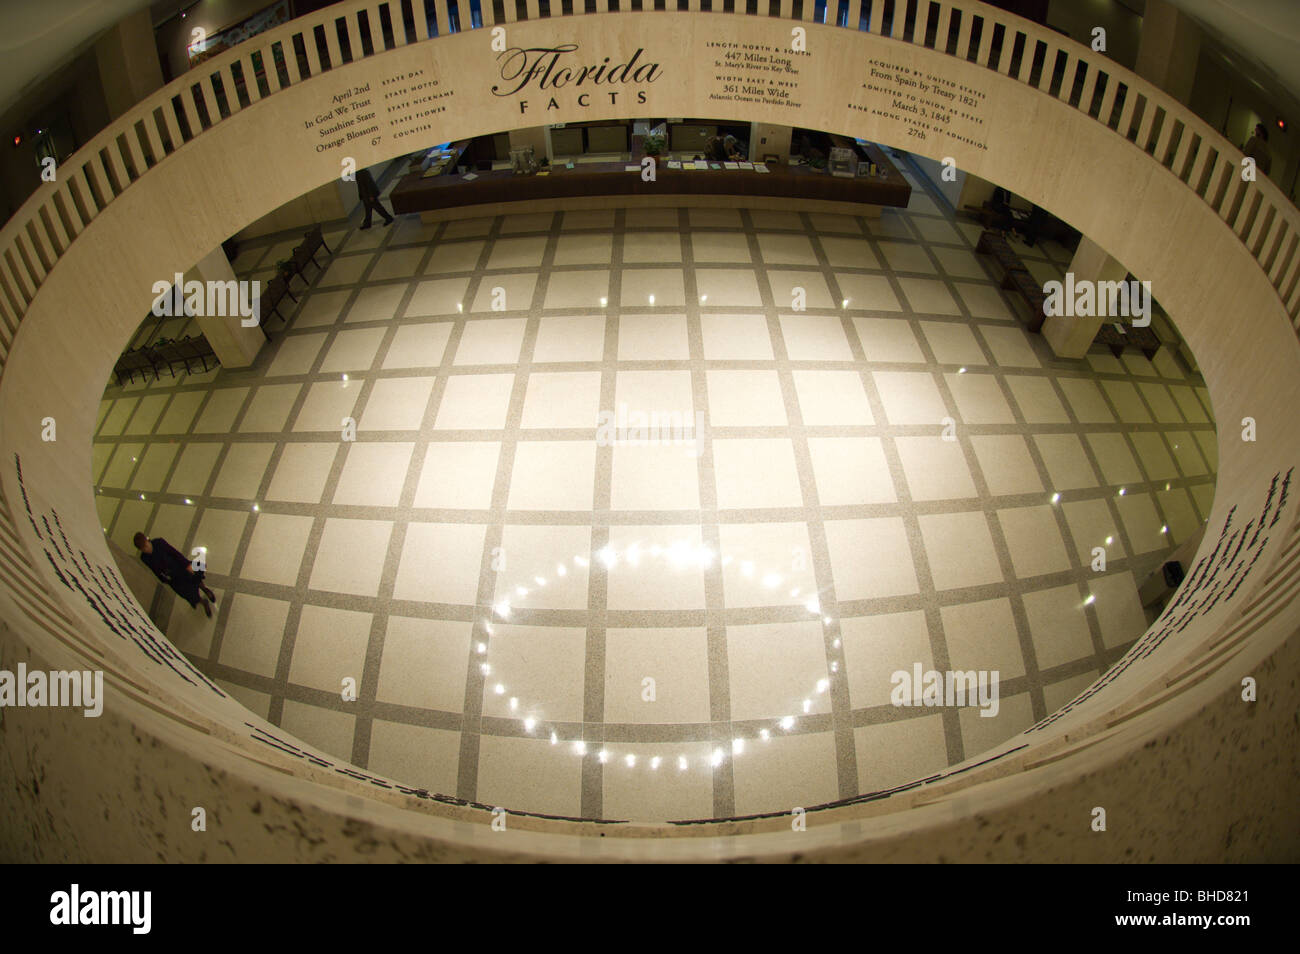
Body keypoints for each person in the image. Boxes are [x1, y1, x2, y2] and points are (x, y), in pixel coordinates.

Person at [133, 532, 216, 618]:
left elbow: (175, 553)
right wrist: (165, 580)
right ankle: (203, 602)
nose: (147, 550)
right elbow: (154, 570)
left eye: (146, 546)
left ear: (147, 541)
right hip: (173, 579)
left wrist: (187, 565)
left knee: (195, 578)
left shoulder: (159, 543)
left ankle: (205, 589)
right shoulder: (144, 558)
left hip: (181, 567)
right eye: (143, 549)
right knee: (188, 594)